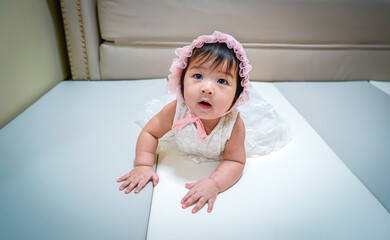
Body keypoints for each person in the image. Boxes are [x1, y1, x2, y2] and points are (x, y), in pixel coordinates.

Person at [117, 31, 291, 214]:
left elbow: (235, 161)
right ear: (181, 80)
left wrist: (214, 183)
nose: (207, 88)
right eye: (198, 76)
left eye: (222, 81)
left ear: (237, 95)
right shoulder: (176, 110)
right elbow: (150, 133)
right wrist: (143, 165)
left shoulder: (234, 126)